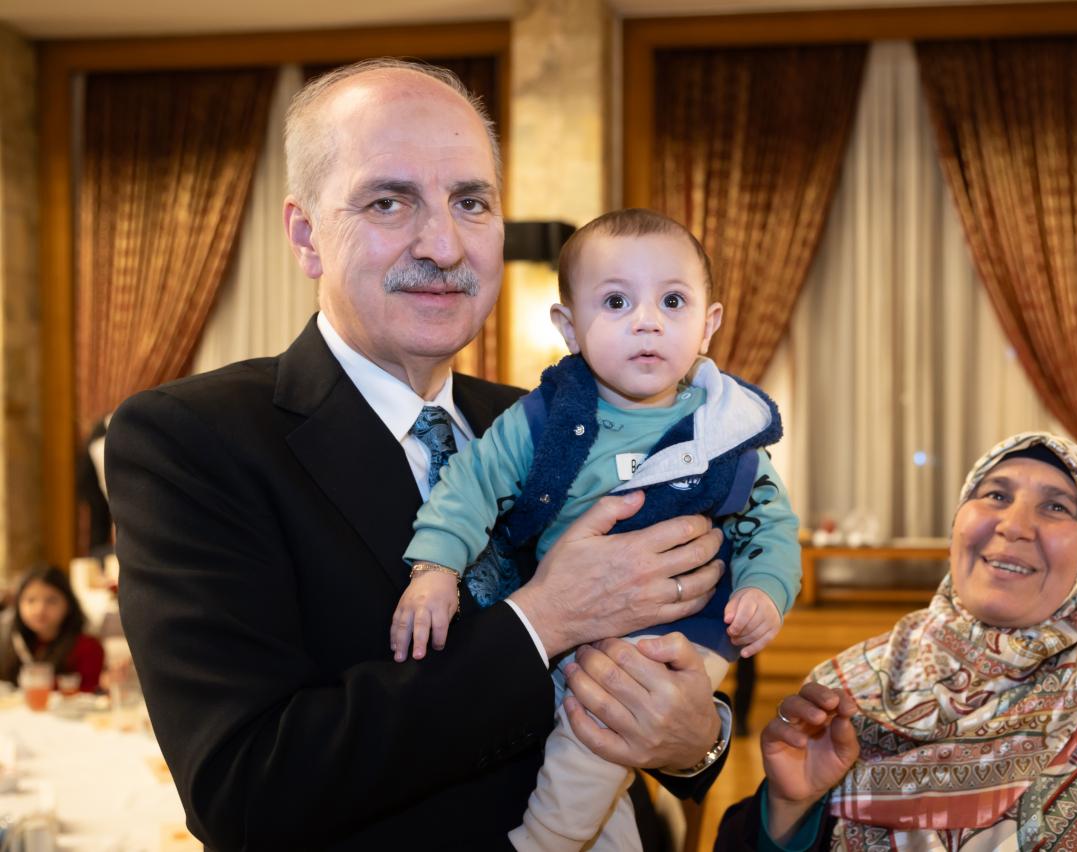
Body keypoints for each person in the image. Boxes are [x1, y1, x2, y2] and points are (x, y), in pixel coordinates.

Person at [106, 59, 734, 850]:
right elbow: (245, 788)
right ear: (305, 236)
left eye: (471, 202)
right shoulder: (193, 441)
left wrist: (698, 742)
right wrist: (542, 620)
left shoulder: (549, 424)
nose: (443, 245)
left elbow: (657, 664)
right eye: (388, 201)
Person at [391, 208, 802, 849]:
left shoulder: (723, 428)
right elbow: (471, 484)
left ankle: (542, 842)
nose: (647, 320)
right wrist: (436, 566)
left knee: (593, 741)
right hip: (567, 639)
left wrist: (765, 590)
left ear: (708, 324)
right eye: (616, 302)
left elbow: (769, 523)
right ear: (569, 327)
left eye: (673, 301)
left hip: (681, 633)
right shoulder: (544, 418)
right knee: (593, 780)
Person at [716, 432, 1077, 851]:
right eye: (996, 494)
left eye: (1056, 506)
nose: (1014, 525)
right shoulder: (848, 695)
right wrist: (789, 809)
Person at [0, 564, 105, 693]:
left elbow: (90, 693)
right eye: (31, 600)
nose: (40, 610)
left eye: (51, 601)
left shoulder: (87, 647)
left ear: (68, 604)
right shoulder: (11, 642)